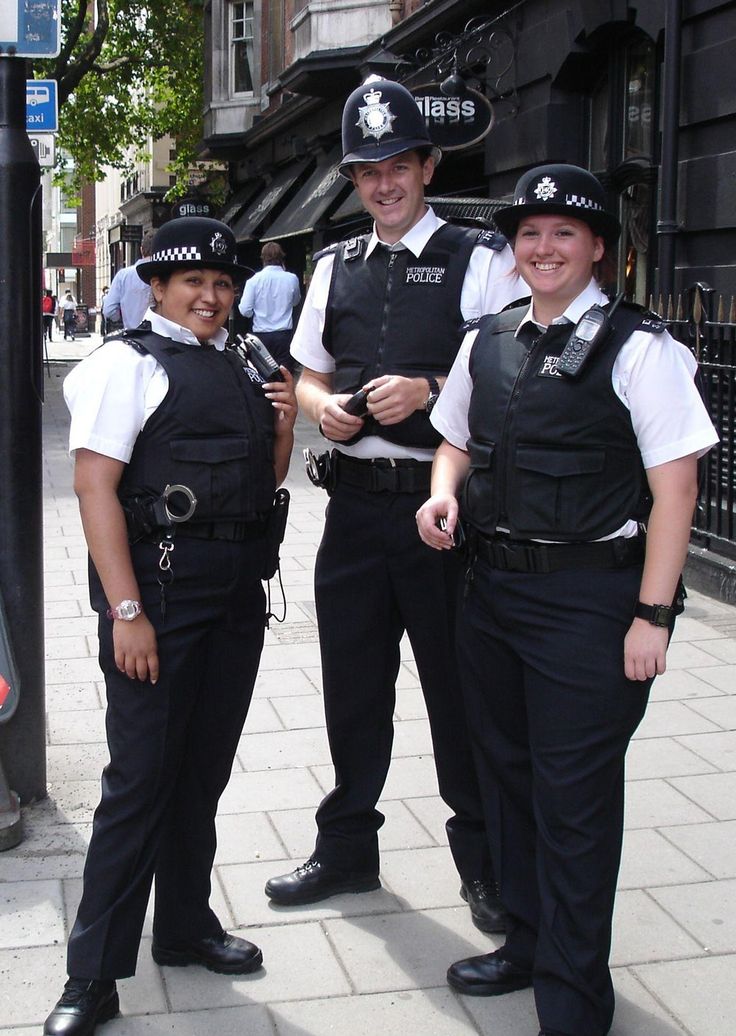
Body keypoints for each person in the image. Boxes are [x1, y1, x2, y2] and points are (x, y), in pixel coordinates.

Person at [416, 164, 718, 1036]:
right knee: (505, 783)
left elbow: (677, 492)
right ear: (513, 251)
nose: (543, 248)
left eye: (563, 234)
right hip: (492, 595)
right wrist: (441, 494)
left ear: (597, 251)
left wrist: (653, 616)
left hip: (591, 605)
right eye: (530, 234)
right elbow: (454, 443)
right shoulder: (487, 339)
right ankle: (527, 941)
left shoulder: (643, 349)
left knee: (575, 803)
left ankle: (576, 1002)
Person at [264, 77, 527, 930]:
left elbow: (512, 373)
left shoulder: (478, 260)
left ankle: (482, 861)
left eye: (397, 166)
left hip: (441, 513)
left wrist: (432, 387)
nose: (382, 183)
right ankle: (347, 849)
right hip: (353, 514)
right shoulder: (333, 264)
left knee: (459, 691)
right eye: (367, 170)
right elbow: (304, 375)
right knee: (351, 685)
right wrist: (321, 409)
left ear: (427, 164)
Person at [43, 217, 297, 1036]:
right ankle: (92, 976)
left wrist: (286, 420)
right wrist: (126, 613)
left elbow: (264, 478)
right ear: (157, 287)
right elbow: (94, 491)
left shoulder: (238, 362)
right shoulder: (126, 363)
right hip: (159, 601)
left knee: (201, 775)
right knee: (140, 785)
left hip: (233, 600)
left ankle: (185, 926)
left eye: (223, 284)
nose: (212, 297)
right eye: (194, 283)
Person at [238, 240, 301, 372]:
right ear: (282, 258)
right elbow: (296, 301)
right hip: (284, 335)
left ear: (263, 259)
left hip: (261, 336)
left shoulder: (253, 281)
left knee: (263, 374)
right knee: (284, 375)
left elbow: (245, 310)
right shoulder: (292, 278)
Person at [102, 229, 155, 331]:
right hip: (164, 339)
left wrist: (124, 314)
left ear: (141, 250)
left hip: (134, 335)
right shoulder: (170, 274)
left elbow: (109, 310)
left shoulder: (123, 276)